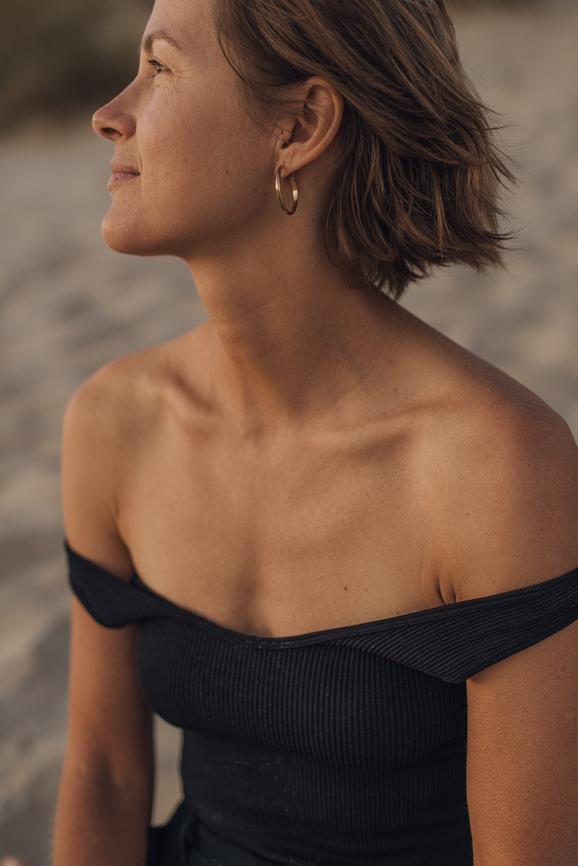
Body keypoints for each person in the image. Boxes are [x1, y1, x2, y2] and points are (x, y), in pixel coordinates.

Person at [49, 0, 578, 863]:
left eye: (161, 67)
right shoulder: (114, 422)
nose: (110, 113)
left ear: (299, 127)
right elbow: (103, 773)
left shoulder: (496, 465)